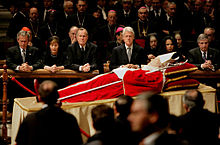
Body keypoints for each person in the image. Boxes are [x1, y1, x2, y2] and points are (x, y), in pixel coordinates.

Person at [16, 80, 83, 145]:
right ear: (57, 96)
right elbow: (77, 142)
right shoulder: (70, 119)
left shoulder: (30, 119)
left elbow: (20, 142)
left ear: (39, 98)